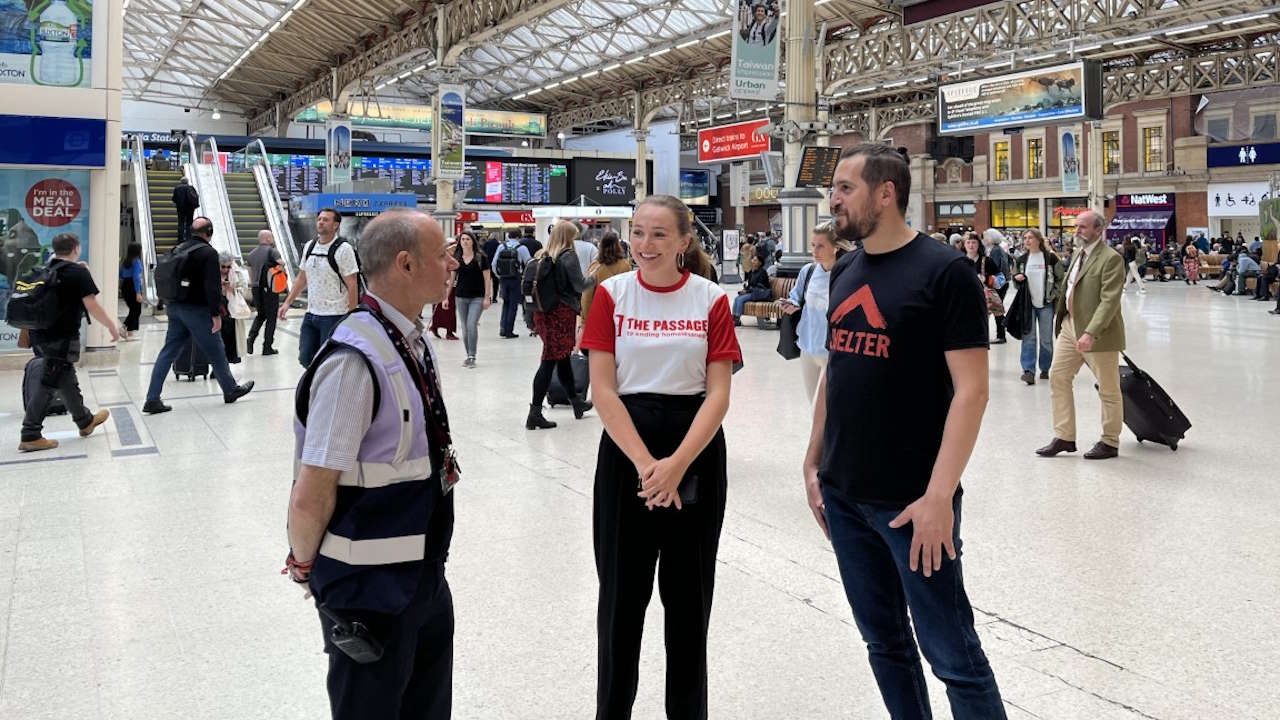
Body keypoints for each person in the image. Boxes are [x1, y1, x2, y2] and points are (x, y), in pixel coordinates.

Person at [802, 144, 1005, 719]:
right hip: (844, 497)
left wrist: (940, 495)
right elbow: (836, 371)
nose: (833, 199)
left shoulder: (946, 273)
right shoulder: (845, 268)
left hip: (913, 502)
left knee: (954, 657)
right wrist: (812, 464)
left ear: (885, 193)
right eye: (834, 188)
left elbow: (973, 391)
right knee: (885, 645)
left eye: (845, 188)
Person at [285, 208, 460, 720]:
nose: (452, 263)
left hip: (422, 577)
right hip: (367, 591)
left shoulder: (411, 339)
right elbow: (314, 484)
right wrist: (303, 566)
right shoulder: (353, 361)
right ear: (405, 265)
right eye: (442, 254)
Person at [579, 194, 741, 720]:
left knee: (690, 605)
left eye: (658, 235)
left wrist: (676, 466)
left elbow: (718, 393)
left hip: (694, 453)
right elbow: (603, 389)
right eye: (638, 233)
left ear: (684, 242)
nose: (645, 245)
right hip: (628, 454)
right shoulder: (611, 295)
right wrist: (648, 464)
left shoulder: (710, 299)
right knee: (620, 604)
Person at [1036, 210, 1125, 460]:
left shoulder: (1111, 259)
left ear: (1099, 230)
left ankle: (1110, 441)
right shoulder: (1078, 254)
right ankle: (1064, 436)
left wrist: (1090, 332)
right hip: (1069, 326)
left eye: (1083, 227)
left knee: (1108, 388)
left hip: (1098, 333)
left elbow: (1109, 302)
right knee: (1058, 377)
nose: (1077, 231)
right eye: (1076, 226)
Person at [142, 217, 254, 415]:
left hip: (175, 307)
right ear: (209, 231)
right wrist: (216, 313)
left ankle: (152, 398)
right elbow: (212, 286)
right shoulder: (208, 253)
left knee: (168, 351)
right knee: (217, 350)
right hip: (196, 310)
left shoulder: (180, 248)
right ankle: (230, 390)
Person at [18, 233, 118, 452]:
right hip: (62, 338)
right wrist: (111, 325)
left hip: (40, 336)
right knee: (49, 382)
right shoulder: (77, 272)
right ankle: (30, 433)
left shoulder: (46, 269)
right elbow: (91, 304)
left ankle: (85, 421)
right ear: (76, 248)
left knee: (65, 375)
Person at [525, 222, 591, 430]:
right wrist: (596, 277)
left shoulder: (541, 254)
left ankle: (577, 402)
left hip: (543, 313)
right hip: (561, 314)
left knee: (561, 358)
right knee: (549, 361)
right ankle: (534, 413)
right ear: (568, 237)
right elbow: (580, 285)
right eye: (574, 236)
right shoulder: (568, 255)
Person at [780, 223, 852, 403]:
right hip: (808, 348)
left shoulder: (847, 274)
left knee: (829, 408)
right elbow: (796, 296)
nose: (815, 251)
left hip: (833, 352)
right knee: (814, 406)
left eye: (820, 246)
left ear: (836, 247)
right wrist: (792, 304)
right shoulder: (809, 271)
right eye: (813, 245)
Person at [279, 208, 360, 367]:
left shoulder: (344, 249)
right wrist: (287, 302)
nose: (321, 222)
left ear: (336, 225)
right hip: (311, 314)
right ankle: (315, 385)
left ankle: (323, 389)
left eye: (326, 220)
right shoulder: (310, 246)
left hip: (334, 315)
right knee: (305, 358)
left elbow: (352, 284)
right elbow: (302, 277)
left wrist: (351, 315)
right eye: (319, 219)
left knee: (328, 360)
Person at [1012, 229, 1064, 385]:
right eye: (1025, 238)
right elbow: (1015, 282)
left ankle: (1046, 368)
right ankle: (1028, 370)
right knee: (1029, 338)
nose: (1027, 240)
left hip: (1046, 303)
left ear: (1038, 240)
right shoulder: (1021, 260)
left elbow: (1061, 278)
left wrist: (1054, 294)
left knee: (1046, 339)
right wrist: (1017, 279)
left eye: (1030, 237)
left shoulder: (1050, 258)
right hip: (1028, 304)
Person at [580, 231, 633, 346]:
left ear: (601, 246)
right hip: (620, 314)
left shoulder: (596, 267)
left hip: (599, 314)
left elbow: (587, 294)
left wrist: (585, 319)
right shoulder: (625, 265)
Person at [449, 231, 492, 368]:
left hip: (477, 297)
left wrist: (487, 297)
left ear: (473, 241)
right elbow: (452, 278)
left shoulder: (481, 257)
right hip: (461, 296)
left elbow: (487, 278)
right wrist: (446, 296)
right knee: (465, 328)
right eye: (463, 239)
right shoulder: (457, 257)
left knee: (471, 324)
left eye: (468, 239)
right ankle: (468, 355)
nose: (465, 242)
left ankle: (472, 355)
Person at [245, 229, 282, 355]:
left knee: (261, 315)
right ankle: (267, 347)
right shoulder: (272, 251)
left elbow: (250, 274)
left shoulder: (251, 254)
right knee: (271, 318)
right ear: (267, 238)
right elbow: (281, 264)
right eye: (271, 237)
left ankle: (250, 339)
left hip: (256, 288)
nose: (272, 239)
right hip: (269, 289)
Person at [963, 235, 1004, 343]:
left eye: (974, 242)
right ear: (964, 244)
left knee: (984, 319)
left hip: (983, 297)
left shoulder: (987, 261)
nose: (971, 245)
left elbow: (1001, 278)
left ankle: (984, 339)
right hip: (964, 297)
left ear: (978, 245)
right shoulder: (959, 260)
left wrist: (987, 279)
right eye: (968, 242)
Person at [492, 229, 532, 339]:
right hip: (515, 279)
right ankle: (509, 330)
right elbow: (529, 263)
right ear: (519, 237)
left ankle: (503, 329)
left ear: (509, 236)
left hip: (504, 279)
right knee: (513, 305)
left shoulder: (501, 247)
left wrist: (499, 276)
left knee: (506, 303)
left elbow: (494, 264)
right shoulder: (522, 248)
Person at [219, 253, 251, 363]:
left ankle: (226, 363)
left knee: (230, 337)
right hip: (218, 308)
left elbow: (245, 290)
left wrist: (232, 289)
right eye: (223, 266)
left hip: (232, 309)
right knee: (219, 337)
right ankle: (219, 365)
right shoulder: (212, 273)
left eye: (228, 266)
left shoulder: (236, 273)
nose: (226, 269)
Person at [982, 228, 1011, 342]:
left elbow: (995, 269)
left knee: (996, 309)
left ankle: (1001, 335)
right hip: (1001, 283)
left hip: (999, 284)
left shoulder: (995, 251)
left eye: (986, 237)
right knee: (996, 309)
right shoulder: (996, 249)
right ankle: (1000, 334)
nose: (984, 239)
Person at [731, 249, 771, 325]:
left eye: (755, 260)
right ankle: (733, 317)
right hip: (753, 292)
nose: (753, 261)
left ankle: (737, 319)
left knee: (740, 299)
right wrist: (745, 290)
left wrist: (747, 291)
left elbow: (760, 286)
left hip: (759, 293)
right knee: (736, 298)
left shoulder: (762, 272)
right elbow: (750, 285)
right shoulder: (752, 272)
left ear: (760, 263)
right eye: (753, 260)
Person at [119, 241, 144, 340]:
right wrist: (138, 292)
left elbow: (120, 274)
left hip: (125, 285)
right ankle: (126, 329)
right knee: (136, 309)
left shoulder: (125, 261)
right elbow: (136, 278)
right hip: (133, 286)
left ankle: (129, 332)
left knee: (134, 309)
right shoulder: (136, 261)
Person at [172, 175, 199, 244]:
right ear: (187, 182)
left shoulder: (177, 188)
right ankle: (188, 237)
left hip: (180, 208)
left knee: (181, 223)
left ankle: (180, 238)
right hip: (190, 208)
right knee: (189, 223)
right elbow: (195, 196)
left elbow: (174, 199)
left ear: (181, 182)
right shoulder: (191, 188)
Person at [482, 232, 501, 302]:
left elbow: (482, 253)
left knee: (486, 282)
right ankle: (494, 298)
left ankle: (487, 296)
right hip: (495, 266)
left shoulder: (486, 244)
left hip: (486, 265)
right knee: (496, 283)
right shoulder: (499, 244)